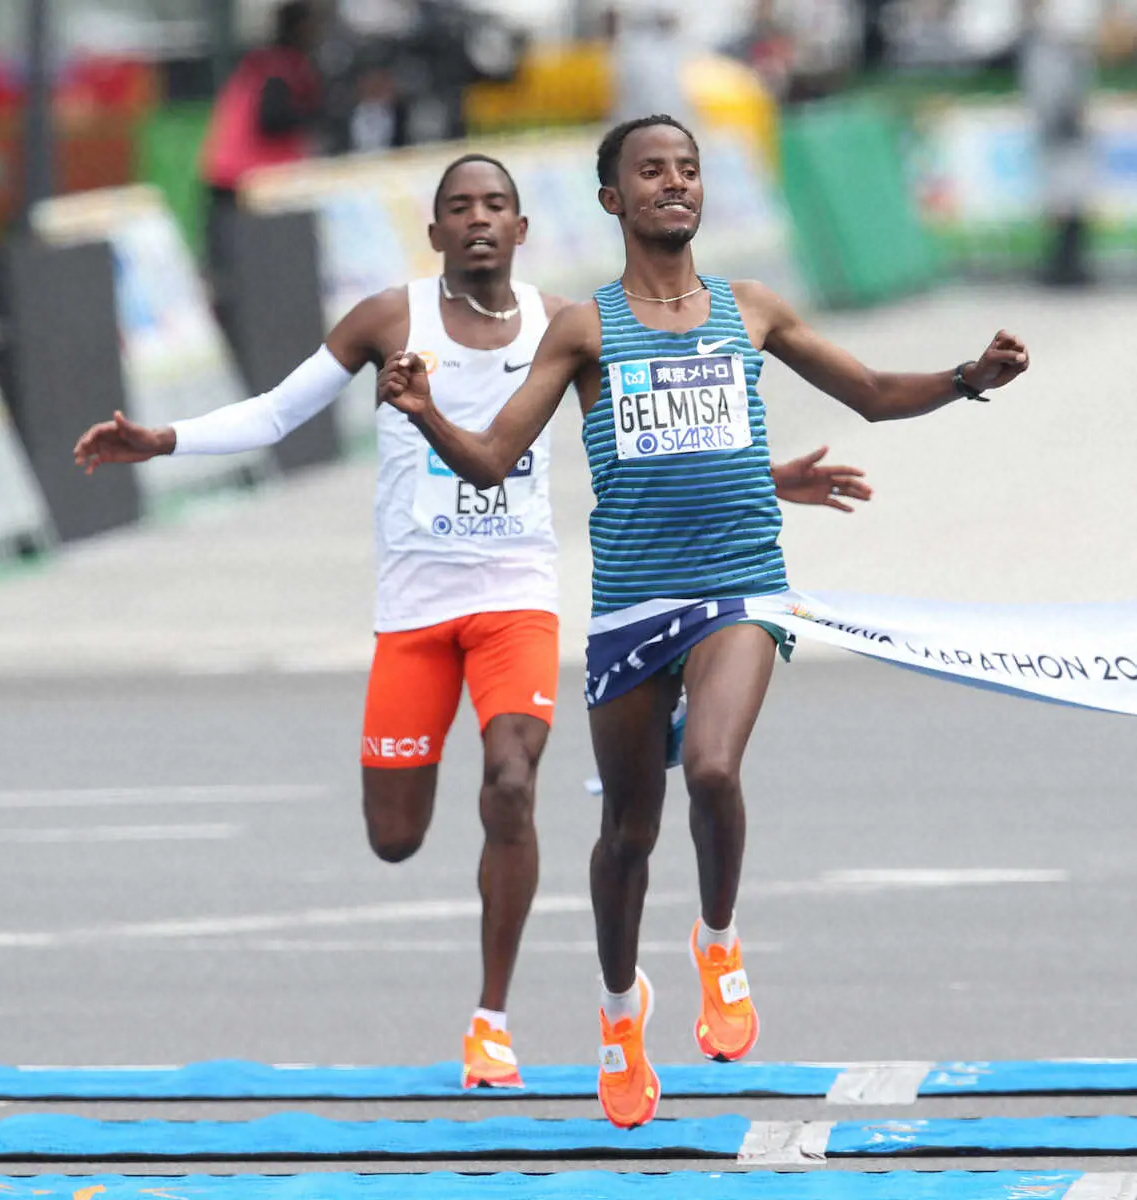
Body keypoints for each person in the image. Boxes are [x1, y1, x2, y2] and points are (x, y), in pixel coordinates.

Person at [73, 153, 870, 1090]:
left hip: (516, 594)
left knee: (510, 782)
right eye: (460, 207)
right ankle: (515, 952)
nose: (480, 219)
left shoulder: (566, 322)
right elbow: (281, 414)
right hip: (414, 606)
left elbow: (648, 438)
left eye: (498, 205)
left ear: (524, 229)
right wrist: (164, 440)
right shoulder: (385, 319)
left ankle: (492, 1021)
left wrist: (764, 480)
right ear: (437, 231)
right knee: (395, 835)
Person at [377, 116, 1030, 1128]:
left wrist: (961, 380)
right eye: (650, 173)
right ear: (612, 202)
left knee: (716, 769)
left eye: (686, 171)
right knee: (625, 835)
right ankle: (618, 1012)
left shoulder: (751, 309)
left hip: (741, 584)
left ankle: (718, 942)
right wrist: (422, 413)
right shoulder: (584, 329)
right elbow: (496, 458)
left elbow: (864, 392)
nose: (673, 184)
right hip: (633, 603)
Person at [201, 1, 323, 324]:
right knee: (250, 271)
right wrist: (313, 117)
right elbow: (271, 119)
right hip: (247, 180)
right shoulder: (281, 68)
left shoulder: (261, 62)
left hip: (230, 173)